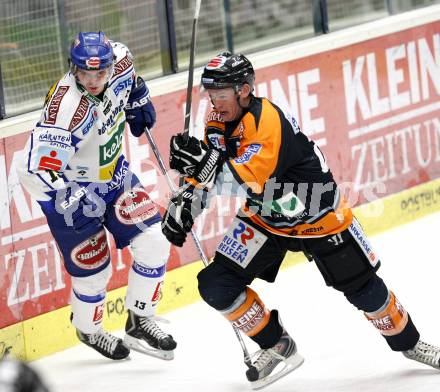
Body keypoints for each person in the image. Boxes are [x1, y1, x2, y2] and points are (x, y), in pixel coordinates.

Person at [161, 51, 440, 388]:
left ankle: (410, 344)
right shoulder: (217, 123)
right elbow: (212, 170)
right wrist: (189, 200)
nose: (214, 102)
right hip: (267, 217)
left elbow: (245, 180)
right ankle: (277, 345)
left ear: (244, 90)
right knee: (216, 284)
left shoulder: (268, 122)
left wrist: (200, 165)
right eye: (210, 95)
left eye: (220, 94)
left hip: (318, 216)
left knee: (364, 291)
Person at [18, 31, 176, 361]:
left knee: (155, 241)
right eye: (84, 74)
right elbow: (35, 170)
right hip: (70, 189)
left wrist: (139, 98)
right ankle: (89, 330)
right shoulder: (64, 109)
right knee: (94, 270)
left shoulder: (121, 60)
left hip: (114, 177)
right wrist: (69, 196)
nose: (92, 80)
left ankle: (139, 318)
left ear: (109, 66)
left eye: (99, 73)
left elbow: (133, 82)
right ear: (72, 69)